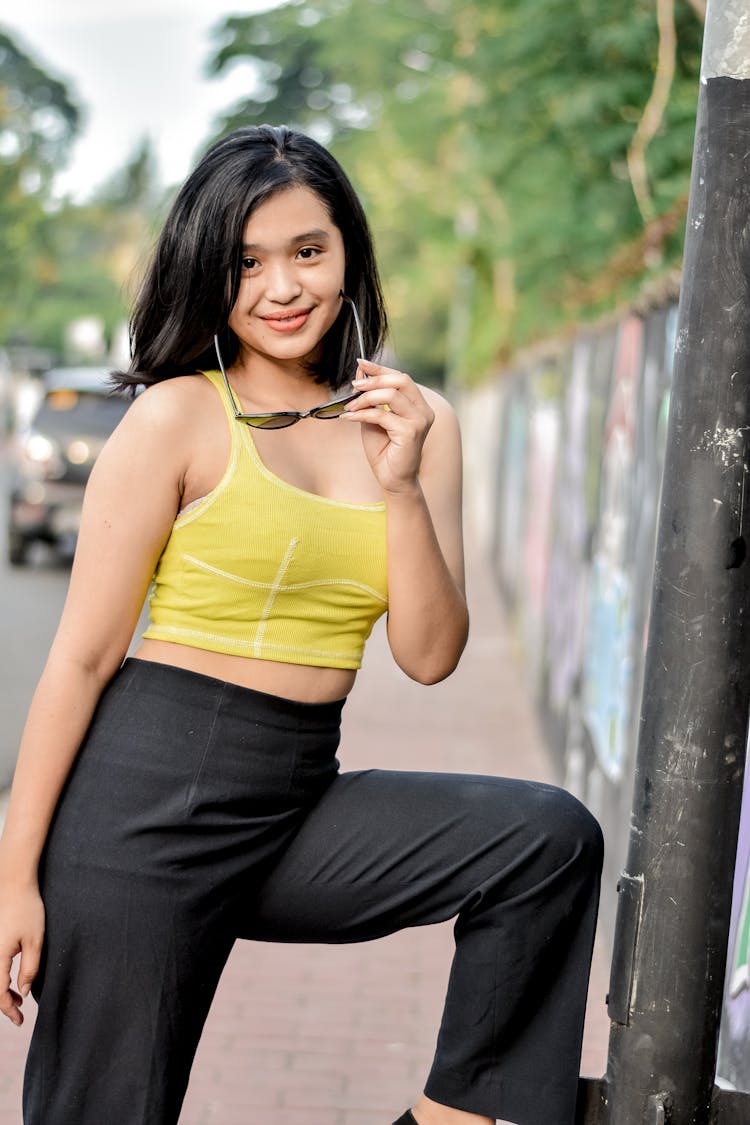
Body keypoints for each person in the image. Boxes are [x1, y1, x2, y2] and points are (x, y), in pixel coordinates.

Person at [0, 124, 603, 1125]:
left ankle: (453, 1117)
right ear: (209, 273)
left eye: (307, 253)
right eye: (246, 262)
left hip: (294, 794)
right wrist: (14, 874)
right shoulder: (177, 419)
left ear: (348, 255)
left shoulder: (417, 422)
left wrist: (400, 484)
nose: (281, 288)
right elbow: (80, 658)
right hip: (144, 802)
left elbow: (430, 654)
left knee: (543, 840)